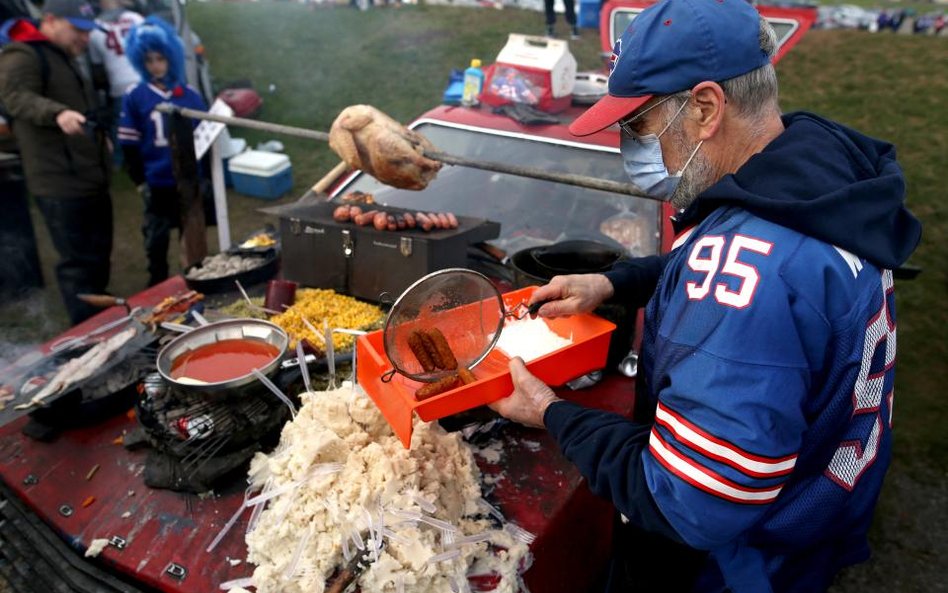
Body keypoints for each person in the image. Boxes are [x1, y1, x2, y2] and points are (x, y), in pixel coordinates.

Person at [488, 1, 921, 592]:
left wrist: (551, 413)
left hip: (734, 565)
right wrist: (617, 280)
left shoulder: (750, 276)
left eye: (638, 125)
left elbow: (692, 502)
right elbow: (762, 265)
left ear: (705, 107)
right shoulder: (816, 173)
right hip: (815, 505)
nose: (631, 147)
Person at [0, 0, 113, 325]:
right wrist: (57, 113)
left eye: (88, 31)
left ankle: (100, 312)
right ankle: (88, 331)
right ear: (50, 20)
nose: (84, 38)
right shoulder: (23, 54)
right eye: (78, 29)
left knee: (97, 257)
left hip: (89, 176)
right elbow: (16, 97)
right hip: (60, 182)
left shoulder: (62, 55)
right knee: (78, 265)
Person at [119, 16, 207, 287]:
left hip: (188, 179)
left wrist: (205, 176)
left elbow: (205, 137)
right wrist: (139, 180)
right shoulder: (135, 95)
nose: (156, 66)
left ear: (171, 57)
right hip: (157, 179)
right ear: (139, 62)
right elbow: (129, 143)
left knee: (191, 234)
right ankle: (156, 280)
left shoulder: (189, 94)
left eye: (160, 58)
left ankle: (196, 278)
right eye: (149, 60)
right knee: (156, 237)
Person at [88, 0, 143, 166]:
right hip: (142, 80)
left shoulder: (93, 27)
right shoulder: (136, 18)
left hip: (119, 85)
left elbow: (97, 66)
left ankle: (116, 164)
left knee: (120, 130)